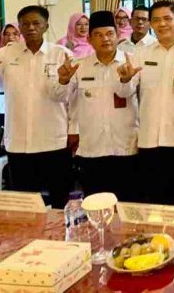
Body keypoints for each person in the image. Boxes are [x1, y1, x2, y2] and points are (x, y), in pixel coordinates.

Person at [116, 1, 174, 206]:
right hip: (151, 142)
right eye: (156, 20)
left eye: (168, 18)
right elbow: (126, 93)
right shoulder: (141, 53)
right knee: (156, 206)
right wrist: (124, 79)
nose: (162, 24)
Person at [0, 6, 72, 208]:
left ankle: (60, 239)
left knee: (59, 202)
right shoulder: (6, 54)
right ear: (19, 27)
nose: (30, 27)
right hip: (19, 143)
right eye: (25, 23)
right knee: (26, 204)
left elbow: (65, 97)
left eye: (36, 23)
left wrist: (64, 81)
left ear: (46, 26)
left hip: (53, 141)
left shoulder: (60, 54)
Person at [53, 11, 139, 201]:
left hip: (126, 148)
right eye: (98, 35)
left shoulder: (132, 62)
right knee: (96, 206)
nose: (105, 39)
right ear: (90, 39)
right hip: (92, 150)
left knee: (128, 206)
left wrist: (125, 79)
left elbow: (125, 93)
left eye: (109, 34)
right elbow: (60, 97)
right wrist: (63, 80)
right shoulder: (79, 66)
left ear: (118, 36)